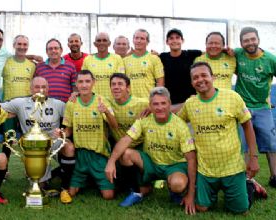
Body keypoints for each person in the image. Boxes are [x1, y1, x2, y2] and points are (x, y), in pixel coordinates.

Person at [178, 62, 259, 214]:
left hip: (232, 167)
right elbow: (177, 121)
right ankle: (210, 193)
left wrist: (253, 157)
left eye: (204, 75)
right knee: (201, 208)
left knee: (239, 210)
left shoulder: (232, 97)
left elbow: (247, 126)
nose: (200, 80)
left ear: (212, 77)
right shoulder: (190, 104)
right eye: (195, 77)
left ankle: (249, 186)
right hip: (206, 170)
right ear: (191, 82)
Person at [106, 87, 197, 214]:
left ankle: (175, 190)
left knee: (178, 184)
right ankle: (137, 192)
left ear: (169, 104)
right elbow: (126, 139)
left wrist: (191, 194)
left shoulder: (180, 126)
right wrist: (111, 161)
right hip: (152, 163)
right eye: (155, 104)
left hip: (173, 165)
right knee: (126, 153)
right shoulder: (144, 121)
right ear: (150, 106)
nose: (159, 107)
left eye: (163, 103)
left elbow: (191, 159)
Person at [1, 76, 75, 204]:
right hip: (34, 148)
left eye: (44, 87)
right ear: (30, 89)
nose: (41, 89)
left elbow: (74, 116)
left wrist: (63, 132)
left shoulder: (58, 104)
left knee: (68, 147)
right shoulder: (20, 103)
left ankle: (64, 188)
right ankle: (46, 179)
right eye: (37, 87)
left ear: (48, 89)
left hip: (53, 142)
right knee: (40, 187)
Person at [57, 70, 118, 200]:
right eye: (81, 82)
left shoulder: (102, 101)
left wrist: (106, 112)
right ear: (76, 85)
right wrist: (61, 133)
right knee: (71, 193)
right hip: (81, 155)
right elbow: (69, 130)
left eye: (87, 81)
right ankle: (84, 178)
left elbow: (115, 126)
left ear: (93, 83)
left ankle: (94, 179)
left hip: (99, 155)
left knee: (108, 196)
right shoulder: (71, 103)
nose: (84, 85)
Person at [234, 27, 276, 187]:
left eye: (252, 39)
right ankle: (247, 179)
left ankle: (274, 177)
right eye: (246, 40)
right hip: (242, 107)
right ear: (241, 43)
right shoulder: (237, 54)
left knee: (271, 143)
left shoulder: (270, 60)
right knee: (243, 144)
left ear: (258, 39)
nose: (250, 43)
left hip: (263, 108)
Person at [159, 29, 202, 106]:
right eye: (171, 38)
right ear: (167, 42)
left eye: (177, 37)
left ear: (182, 40)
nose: (174, 40)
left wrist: (227, 50)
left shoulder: (191, 54)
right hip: (169, 102)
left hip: (189, 101)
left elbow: (210, 51)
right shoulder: (162, 57)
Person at [82, 32, 125, 98]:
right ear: (95, 44)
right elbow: (83, 81)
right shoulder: (87, 59)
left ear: (109, 43)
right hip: (93, 100)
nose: (101, 43)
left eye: (104, 40)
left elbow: (120, 81)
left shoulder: (117, 58)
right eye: (99, 41)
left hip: (112, 100)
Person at [123, 29, 164, 98]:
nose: (139, 41)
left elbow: (160, 82)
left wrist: (156, 99)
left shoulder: (154, 58)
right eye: (136, 38)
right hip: (131, 102)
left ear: (147, 42)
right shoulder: (125, 60)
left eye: (142, 39)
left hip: (149, 102)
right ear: (133, 40)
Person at [35, 38, 77, 102]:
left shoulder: (70, 66)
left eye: (56, 48)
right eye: (50, 49)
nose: (53, 51)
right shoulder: (39, 67)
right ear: (47, 51)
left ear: (61, 50)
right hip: (44, 106)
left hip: (64, 106)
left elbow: (75, 87)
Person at [2, 35, 36, 101]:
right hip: (9, 105)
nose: (22, 47)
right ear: (14, 45)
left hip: (26, 105)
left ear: (28, 46)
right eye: (19, 44)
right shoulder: (5, 62)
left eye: (25, 44)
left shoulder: (32, 65)